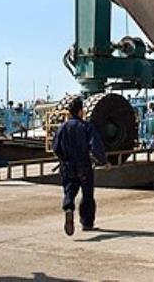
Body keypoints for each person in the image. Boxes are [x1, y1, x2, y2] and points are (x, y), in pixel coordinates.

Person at [52, 96, 109, 235]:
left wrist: (63, 159)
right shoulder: (86, 127)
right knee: (87, 194)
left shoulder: (62, 128)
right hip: (84, 165)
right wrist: (104, 161)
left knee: (70, 190)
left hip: (67, 165)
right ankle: (87, 223)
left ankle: (69, 208)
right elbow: (95, 146)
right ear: (80, 111)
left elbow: (55, 147)